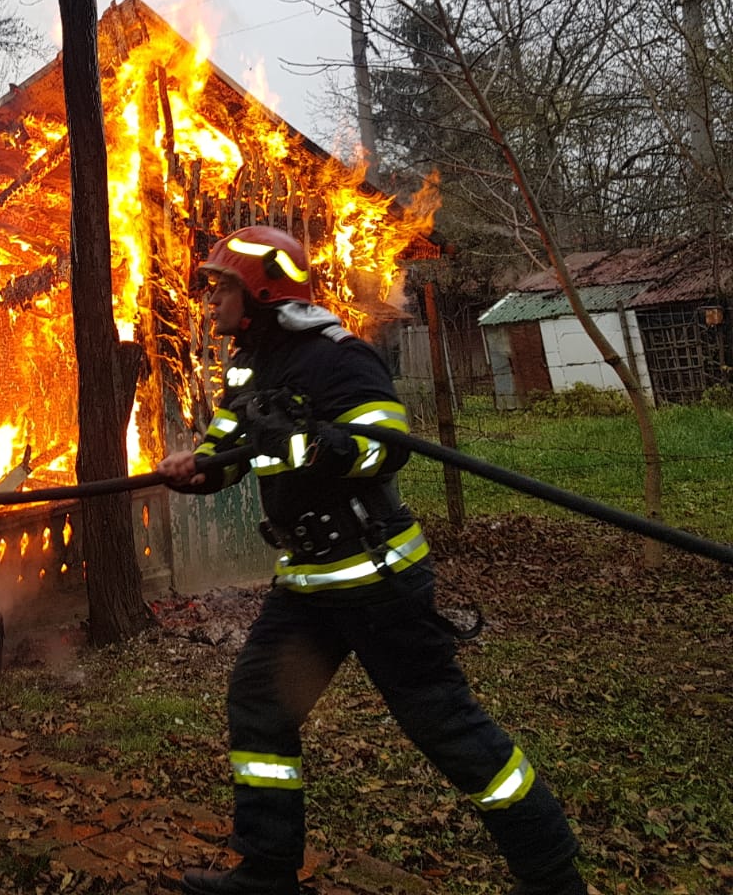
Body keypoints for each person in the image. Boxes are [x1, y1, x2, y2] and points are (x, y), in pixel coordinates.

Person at [155, 226, 583, 895]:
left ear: (263, 291)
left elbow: (387, 445)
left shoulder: (337, 356)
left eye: (223, 288)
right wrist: (197, 471)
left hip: (377, 577)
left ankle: (554, 877)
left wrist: (306, 442)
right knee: (261, 706)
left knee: (444, 726)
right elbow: (227, 449)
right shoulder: (249, 363)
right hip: (309, 579)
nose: (212, 303)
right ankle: (268, 872)